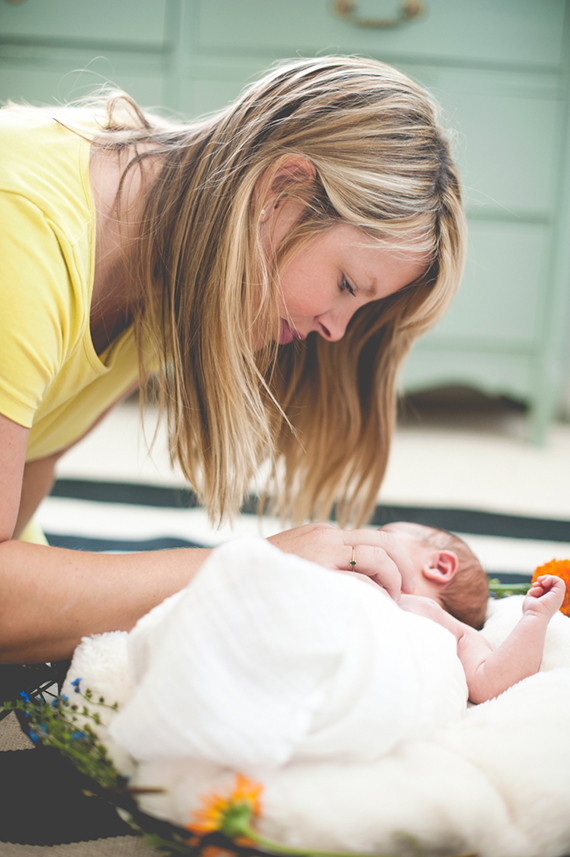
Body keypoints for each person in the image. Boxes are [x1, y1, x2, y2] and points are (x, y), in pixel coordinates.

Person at [0, 55, 466, 665]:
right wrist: (254, 565)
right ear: (281, 190)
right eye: (348, 286)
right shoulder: (23, 238)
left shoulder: (182, 252)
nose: (335, 329)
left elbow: (36, 458)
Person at [377, 521, 565, 704]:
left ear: (439, 566)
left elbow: (492, 682)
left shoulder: (456, 632)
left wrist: (535, 617)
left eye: (381, 538)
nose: (361, 546)